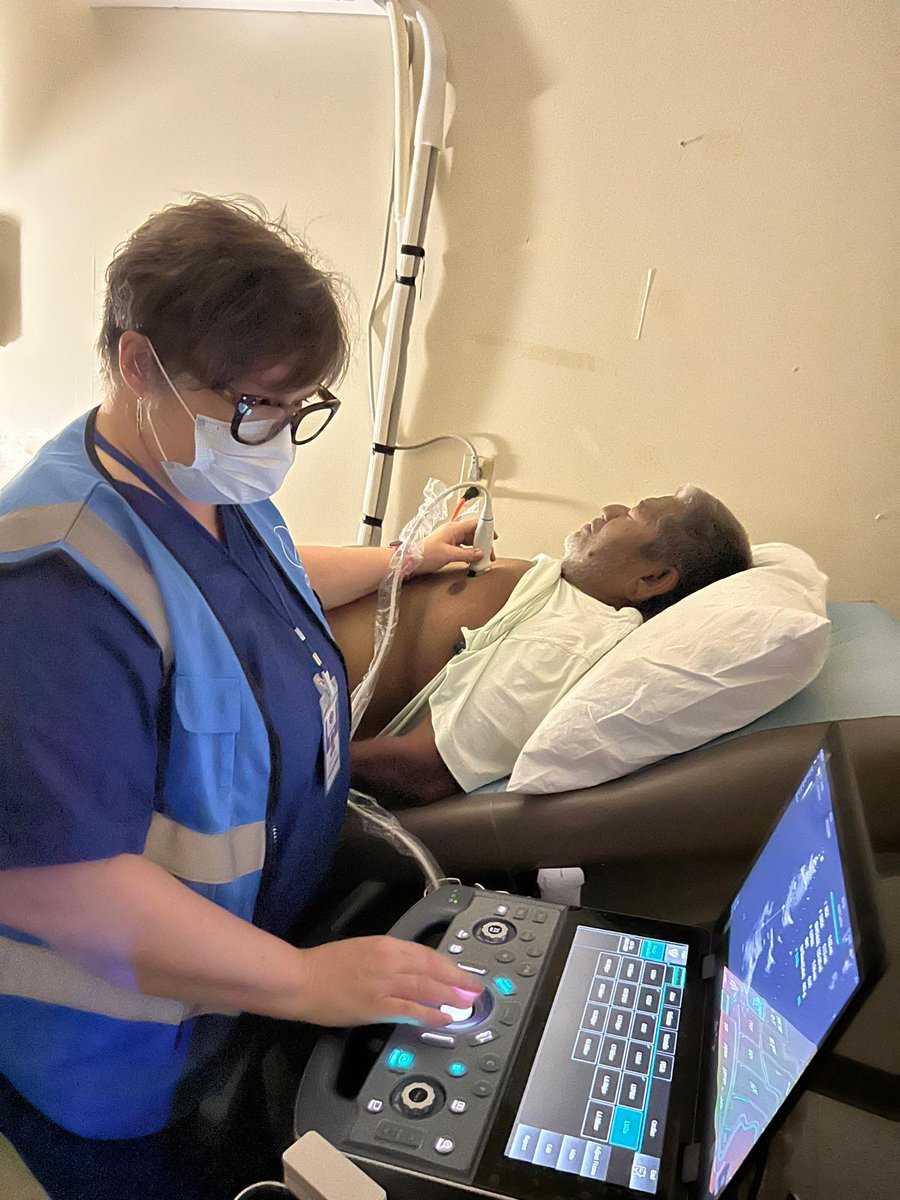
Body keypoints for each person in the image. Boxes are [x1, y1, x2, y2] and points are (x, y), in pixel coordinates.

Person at [0, 197, 485, 1198]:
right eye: (258, 404)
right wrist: (309, 983)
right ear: (139, 364)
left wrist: (402, 560)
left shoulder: (208, 481)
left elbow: (266, 576)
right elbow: (52, 882)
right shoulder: (51, 586)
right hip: (116, 1053)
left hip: (229, 989)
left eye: (303, 406)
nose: (278, 436)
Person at [342, 488, 752, 805]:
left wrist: (283, 757)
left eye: (633, 514)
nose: (609, 509)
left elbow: (422, 771)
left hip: (286, 705)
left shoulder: (563, 642)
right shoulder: (554, 588)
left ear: (652, 580)